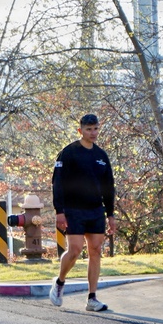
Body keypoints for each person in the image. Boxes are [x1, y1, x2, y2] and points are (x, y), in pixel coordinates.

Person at [49, 113, 116, 312]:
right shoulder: (68, 152)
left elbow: (109, 187)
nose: (93, 133)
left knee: (96, 250)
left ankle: (92, 298)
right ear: (80, 130)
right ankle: (60, 282)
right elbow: (57, 182)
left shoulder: (101, 156)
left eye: (95, 129)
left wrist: (110, 214)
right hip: (73, 209)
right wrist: (59, 211)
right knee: (75, 250)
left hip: (95, 210)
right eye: (88, 129)